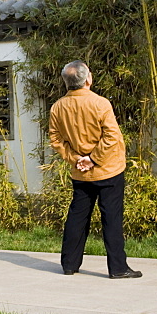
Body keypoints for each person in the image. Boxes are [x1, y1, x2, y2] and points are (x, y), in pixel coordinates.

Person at [48, 60, 142, 280]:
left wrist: (76, 159)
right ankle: (118, 267)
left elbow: (55, 139)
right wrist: (93, 159)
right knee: (111, 217)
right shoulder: (100, 103)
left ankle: (69, 264)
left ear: (66, 82)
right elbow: (112, 136)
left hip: (80, 171)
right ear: (88, 79)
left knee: (77, 216)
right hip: (108, 169)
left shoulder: (58, 107)